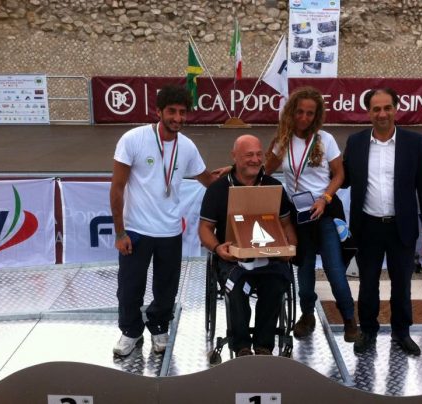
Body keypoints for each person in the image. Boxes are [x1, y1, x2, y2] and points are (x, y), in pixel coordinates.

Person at [110, 84, 216, 357]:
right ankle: (131, 332)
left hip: (170, 231)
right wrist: (120, 233)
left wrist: (236, 175)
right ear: (158, 111)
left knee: (166, 288)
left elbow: (208, 181)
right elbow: (117, 188)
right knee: (130, 288)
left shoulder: (187, 146)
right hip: (136, 229)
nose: (178, 118)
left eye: (182, 112)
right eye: (172, 111)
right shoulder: (133, 139)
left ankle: (159, 327)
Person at [343, 88, 422, 356]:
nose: (382, 114)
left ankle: (401, 332)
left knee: (402, 284)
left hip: (401, 227)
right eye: (376, 109)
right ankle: (368, 331)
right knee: (368, 283)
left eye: (387, 108)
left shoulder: (414, 142)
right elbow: (344, 178)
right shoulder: (356, 142)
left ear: (396, 109)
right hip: (367, 226)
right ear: (368, 112)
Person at [264, 87, 357, 342]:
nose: (304, 118)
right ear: (291, 112)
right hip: (298, 215)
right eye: (299, 112)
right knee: (304, 273)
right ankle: (307, 316)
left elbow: (339, 174)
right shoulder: (282, 140)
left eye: (309, 113)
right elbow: (263, 171)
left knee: (334, 270)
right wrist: (235, 169)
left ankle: (350, 319)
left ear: (316, 116)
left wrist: (324, 198)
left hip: (324, 211)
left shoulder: (325, 139)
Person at [199, 135, 297, 357]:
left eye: (259, 154)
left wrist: (291, 247)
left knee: (276, 285)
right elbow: (205, 229)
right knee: (236, 288)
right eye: (249, 155)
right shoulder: (217, 189)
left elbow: (286, 225)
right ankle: (241, 347)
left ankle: (264, 347)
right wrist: (217, 248)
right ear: (234, 156)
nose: (255, 159)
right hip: (233, 259)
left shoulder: (274, 186)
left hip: (270, 258)